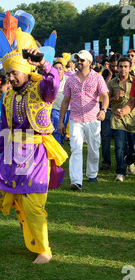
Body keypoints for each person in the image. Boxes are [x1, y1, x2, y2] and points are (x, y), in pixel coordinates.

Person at [0, 36, 68, 264]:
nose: (10, 77)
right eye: (8, 74)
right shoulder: (8, 96)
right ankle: (19, 204)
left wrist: (42, 64)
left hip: (37, 152)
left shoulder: (41, 88)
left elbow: (54, 84)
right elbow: (3, 128)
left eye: (14, 73)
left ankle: (43, 250)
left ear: (26, 71)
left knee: (35, 205)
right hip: (11, 153)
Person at [58, 50, 109, 191]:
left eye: (82, 60)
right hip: (76, 118)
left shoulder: (97, 78)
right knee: (75, 148)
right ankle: (76, 180)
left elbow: (104, 96)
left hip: (93, 118)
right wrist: (61, 121)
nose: (79, 62)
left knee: (93, 148)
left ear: (89, 62)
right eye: (77, 60)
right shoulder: (70, 80)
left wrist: (103, 110)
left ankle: (92, 174)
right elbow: (65, 101)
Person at [108, 57, 135, 181]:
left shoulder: (133, 81)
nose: (123, 69)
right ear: (117, 68)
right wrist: (115, 97)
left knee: (132, 147)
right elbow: (106, 101)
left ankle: (129, 161)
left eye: (125, 66)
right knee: (119, 146)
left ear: (130, 68)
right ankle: (120, 172)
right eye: (121, 66)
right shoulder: (112, 83)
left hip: (132, 119)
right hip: (118, 118)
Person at [50, 61, 70, 146]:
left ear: (63, 69)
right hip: (54, 108)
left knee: (63, 129)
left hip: (66, 109)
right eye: (55, 68)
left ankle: (61, 144)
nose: (58, 70)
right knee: (57, 129)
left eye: (60, 68)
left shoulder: (68, 80)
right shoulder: (50, 80)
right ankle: (57, 146)